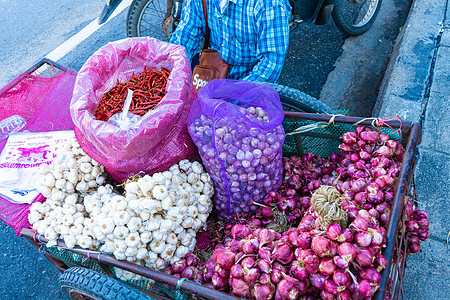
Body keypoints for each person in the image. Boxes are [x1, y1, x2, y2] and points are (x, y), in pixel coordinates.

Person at [169, 0, 291, 83]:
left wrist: (233, 97)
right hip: (212, 72)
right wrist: (171, 74)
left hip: (250, 83)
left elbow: (271, 64)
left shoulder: (269, 5)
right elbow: (185, 36)